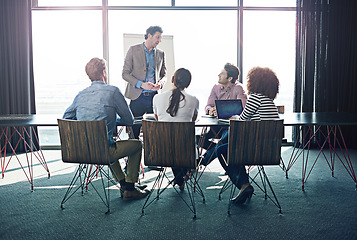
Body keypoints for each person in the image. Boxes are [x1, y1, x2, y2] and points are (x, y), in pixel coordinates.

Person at [63, 57, 149, 201]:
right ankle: (130, 187)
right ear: (104, 72)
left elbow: (66, 117)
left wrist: (87, 120)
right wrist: (112, 118)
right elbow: (129, 120)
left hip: (79, 151)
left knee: (108, 142)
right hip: (103, 152)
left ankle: (124, 184)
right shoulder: (113, 91)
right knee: (136, 145)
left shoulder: (80, 94)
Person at [216, 66, 280, 204]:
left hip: (254, 151)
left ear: (255, 82)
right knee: (228, 145)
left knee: (220, 149)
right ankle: (244, 186)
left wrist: (234, 117)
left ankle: (244, 185)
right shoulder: (270, 102)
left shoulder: (255, 98)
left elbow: (241, 121)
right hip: (269, 151)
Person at [152, 68, 199, 190]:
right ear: (188, 84)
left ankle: (179, 179)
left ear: (172, 79)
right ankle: (183, 175)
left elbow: (158, 120)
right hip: (186, 152)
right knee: (179, 140)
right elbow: (192, 120)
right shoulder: (194, 100)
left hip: (161, 151)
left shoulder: (157, 98)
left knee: (169, 139)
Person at [122, 26, 167, 138]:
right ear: (149, 36)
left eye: (160, 38)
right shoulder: (133, 50)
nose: (159, 40)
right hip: (137, 98)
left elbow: (164, 75)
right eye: (157, 37)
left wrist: (160, 84)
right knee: (134, 135)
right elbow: (125, 74)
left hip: (154, 98)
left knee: (155, 135)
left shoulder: (161, 54)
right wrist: (141, 84)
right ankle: (133, 155)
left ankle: (154, 156)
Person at [200, 63, 247, 166]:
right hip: (216, 126)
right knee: (197, 139)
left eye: (222, 73)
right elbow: (208, 106)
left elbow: (243, 109)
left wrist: (225, 112)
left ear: (230, 78)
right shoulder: (216, 88)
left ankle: (202, 160)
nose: (219, 75)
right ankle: (221, 152)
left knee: (223, 141)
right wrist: (210, 110)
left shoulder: (238, 88)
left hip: (230, 127)